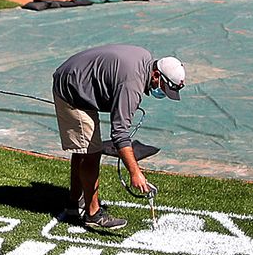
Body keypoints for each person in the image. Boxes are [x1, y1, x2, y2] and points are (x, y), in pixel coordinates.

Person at [50, 45, 186, 233]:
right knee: (90, 152)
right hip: (71, 89)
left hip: (79, 79)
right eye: (162, 87)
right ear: (155, 75)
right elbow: (119, 134)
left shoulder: (145, 58)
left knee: (84, 148)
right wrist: (135, 173)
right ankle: (93, 214)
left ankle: (74, 204)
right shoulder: (132, 84)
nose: (161, 92)